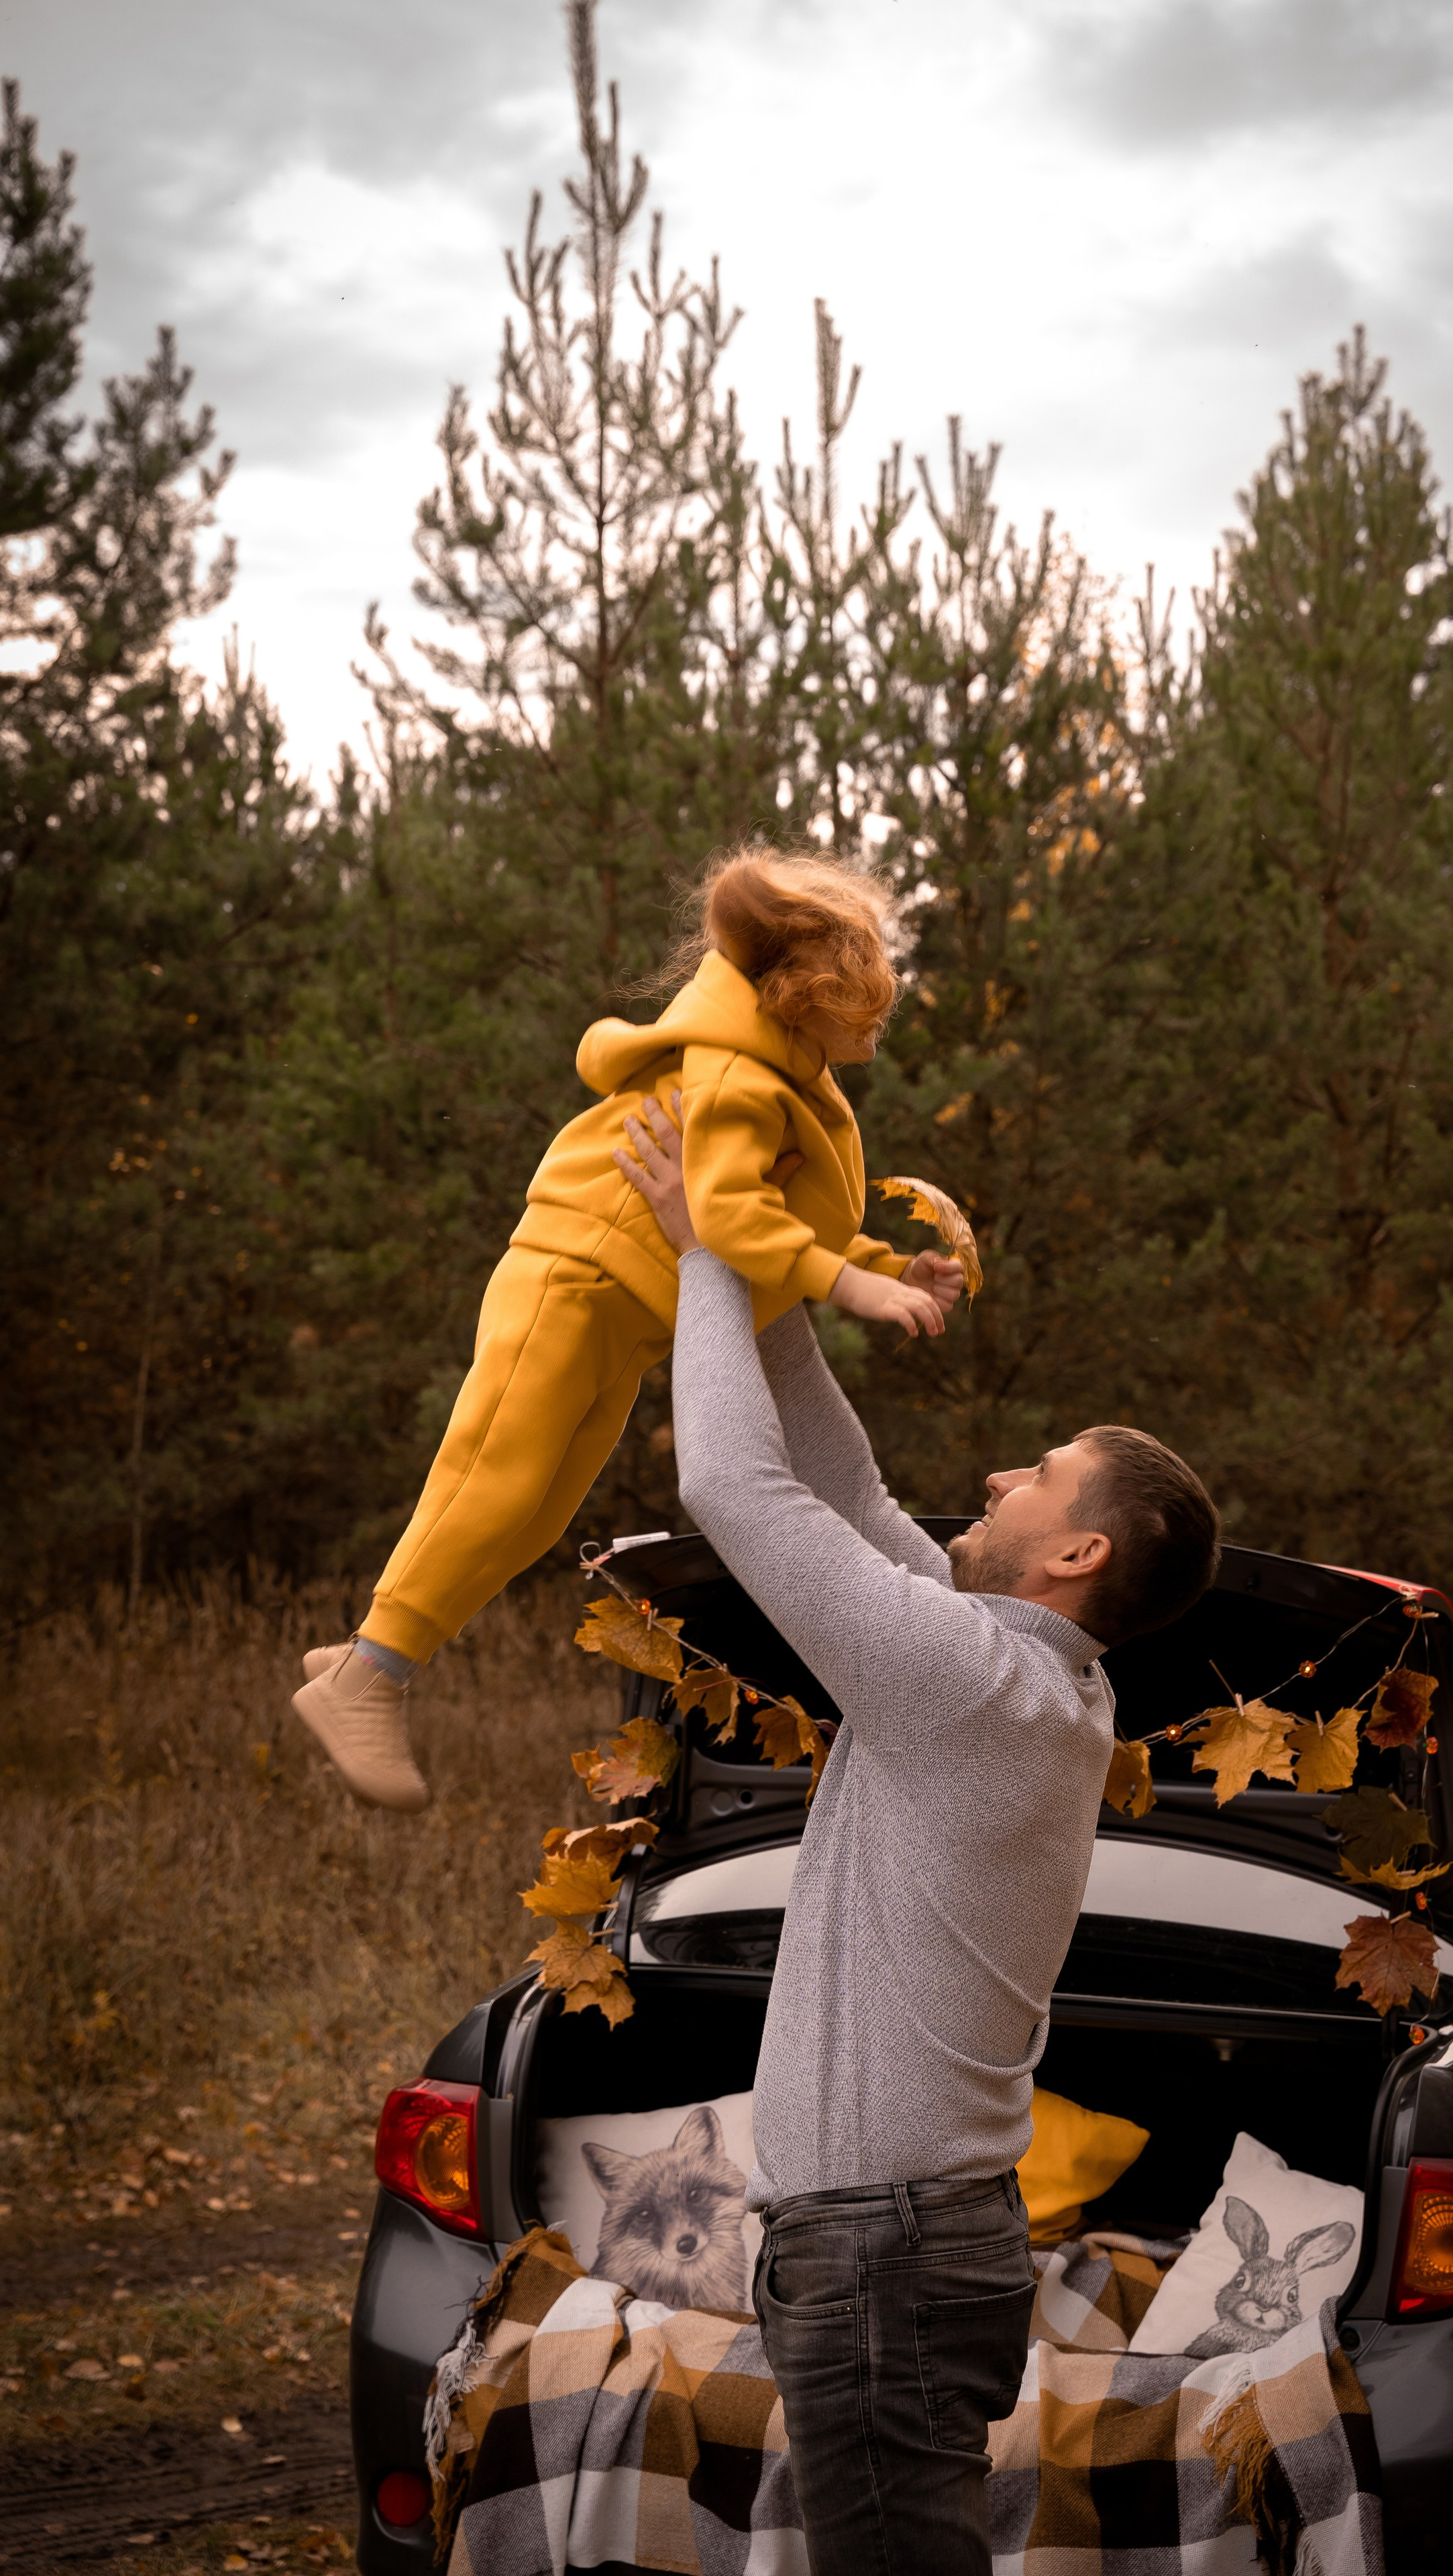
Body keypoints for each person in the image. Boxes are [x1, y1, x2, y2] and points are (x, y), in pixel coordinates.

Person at [614, 1097, 1221, 2576]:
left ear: (1075, 1551)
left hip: (883, 2250)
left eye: (1036, 1476)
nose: (999, 1480)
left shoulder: (973, 1685)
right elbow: (848, 1489)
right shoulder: (1015, 1676)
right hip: (899, 2239)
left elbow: (734, 1487)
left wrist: (702, 1256)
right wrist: (766, 1266)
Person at [290, 848, 964, 1813]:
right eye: (861, 1004)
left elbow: (783, 1211)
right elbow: (728, 1215)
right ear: (798, 997)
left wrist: (889, 1266)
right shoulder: (737, 1074)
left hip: (629, 1312)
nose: (876, 1022)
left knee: (542, 1507)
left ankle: (371, 1652)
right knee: (497, 1473)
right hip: (574, 1277)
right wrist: (848, 1286)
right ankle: (372, 1675)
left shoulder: (790, 1068)